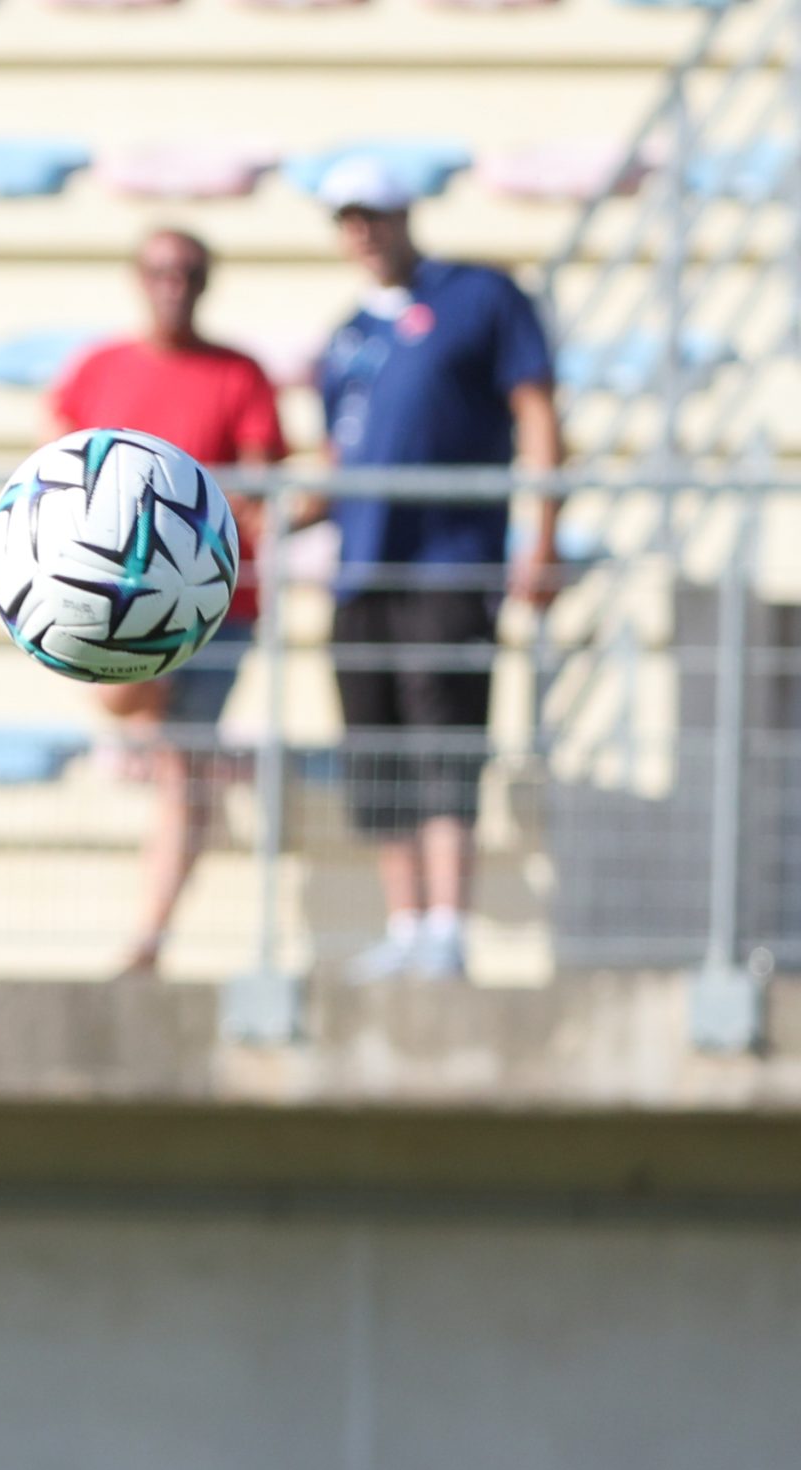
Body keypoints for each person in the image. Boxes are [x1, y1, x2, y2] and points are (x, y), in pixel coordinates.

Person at [315, 155, 563, 983]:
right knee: (378, 747)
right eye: (349, 217)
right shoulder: (348, 336)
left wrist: (545, 530)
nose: (364, 231)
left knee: (446, 738)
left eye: (374, 214)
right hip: (360, 570)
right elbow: (337, 459)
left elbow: (535, 409)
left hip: (447, 563)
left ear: (405, 214)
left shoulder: (479, 297)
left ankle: (450, 925)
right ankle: (408, 921)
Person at [48, 228, 291, 975]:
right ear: (138, 276)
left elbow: (259, 486)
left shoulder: (239, 373)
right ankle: (153, 914)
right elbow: (58, 472)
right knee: (162, 746)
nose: (173, 282)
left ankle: (150, 934)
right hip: (119, 603)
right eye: (160, 268)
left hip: (217, 606)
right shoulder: (99, 367)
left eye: (188, 270)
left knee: (182, 764)